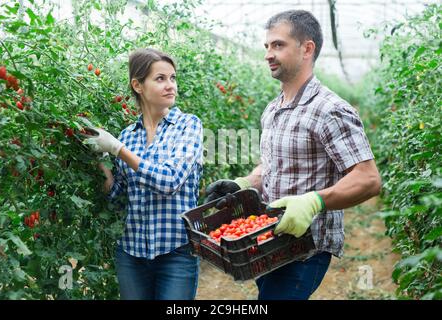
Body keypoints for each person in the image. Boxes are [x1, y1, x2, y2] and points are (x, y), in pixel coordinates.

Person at [204, 10, 381, 300]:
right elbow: (272, 165)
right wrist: (244, 184)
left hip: (304, 249)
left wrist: (315, 201)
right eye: (267, 47)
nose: (268, 54)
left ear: (307, 48)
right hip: (269, 241)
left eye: (278, 45)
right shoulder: (273, 109)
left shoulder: (330, 110)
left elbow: (368, 179)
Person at [83, 48, 203, 300]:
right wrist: (101, 160)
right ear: (138, 85)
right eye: (160, 79)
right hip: (131, 253)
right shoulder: (128, 135)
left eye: (172, 78)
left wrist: (117, 149)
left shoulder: (188, 125)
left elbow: (169, 180)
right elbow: (116, 198)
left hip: (177, 252)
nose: (170, 85)